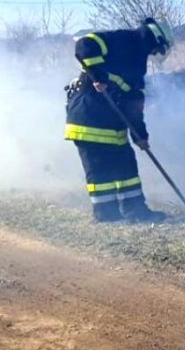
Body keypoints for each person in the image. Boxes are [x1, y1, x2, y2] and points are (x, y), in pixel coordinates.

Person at [64, 17, 174, 223]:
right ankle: (106, 213)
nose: (154, 55)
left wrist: (140, 135)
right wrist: (97, 75)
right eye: (156, 49)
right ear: (155, 39)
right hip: (88, 120)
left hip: (111, 125)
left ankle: (135, 212)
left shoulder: (137, 61)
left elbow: (134, 102)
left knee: (127, 167)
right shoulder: (124, 40)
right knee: (100, 171)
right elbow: (84, 45)